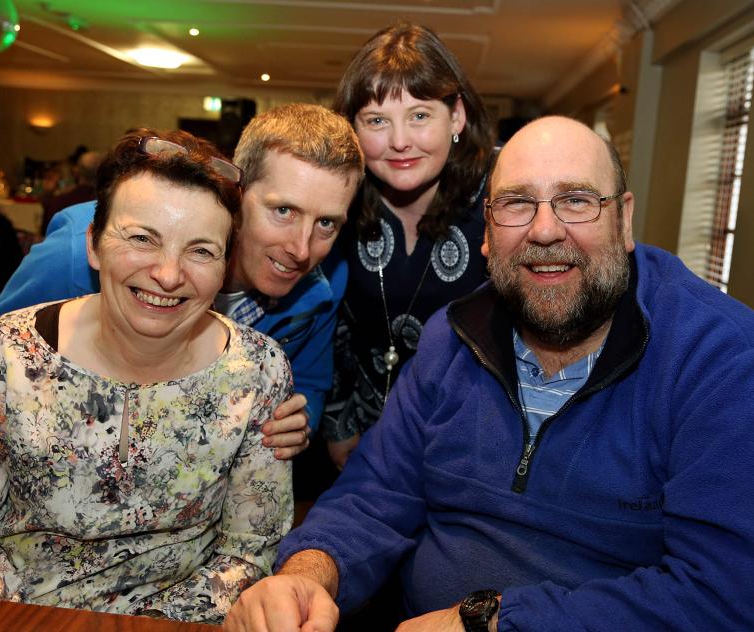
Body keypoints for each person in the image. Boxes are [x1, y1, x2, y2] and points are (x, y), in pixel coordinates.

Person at [222, 116, 754, 631]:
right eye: (518, 204)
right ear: (486, 231)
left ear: (624, 218)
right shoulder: (448, 339)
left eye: (576, 200)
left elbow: (723, 594)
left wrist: (491, 621)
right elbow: (375, 495)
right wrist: (308, 574)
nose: (545, 230)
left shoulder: (719, 358)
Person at [0, 130, 294, 623]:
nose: (167, 273)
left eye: (201, 250)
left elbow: (248, 556)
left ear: (225, 268)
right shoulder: (6, 353)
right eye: (142, 238)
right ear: (94, 245)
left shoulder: (258, 373)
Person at [0, 103, 363, 478]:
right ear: (238, 193)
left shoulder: (319, 286)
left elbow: (307, 387)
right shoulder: (84, 254)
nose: (302, 249)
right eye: (283, 210)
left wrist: (295, 425)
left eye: (327, 222)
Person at [322, 22, 495, 468]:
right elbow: (327, 321)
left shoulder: (506, 196)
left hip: (474, 439)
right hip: (363, 439)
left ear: (456, 116)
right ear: (352, 129)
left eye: (420, 115)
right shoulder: (333, 196)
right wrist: (339, 427)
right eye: (377, 120)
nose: (399, 142)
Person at [40, 150, 102, 234]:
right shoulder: (107, 202)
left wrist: (47, 194)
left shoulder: (59, 201)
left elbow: (46, 232)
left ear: (76, 172)